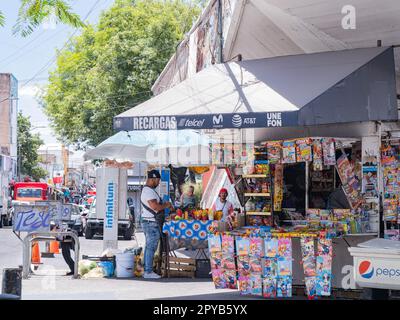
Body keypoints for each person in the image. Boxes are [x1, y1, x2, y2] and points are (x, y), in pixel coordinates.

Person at [140, 169, 173, 279]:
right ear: (152, 179)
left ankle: (147, 270)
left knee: (149, 247)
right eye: (158, 180)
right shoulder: (148, 191)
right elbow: (155, 207)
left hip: (149, 222)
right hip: (151, 223)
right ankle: (148, 272)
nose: (158, 183)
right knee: (151, 247)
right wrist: (166, 205)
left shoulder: (148, 190)